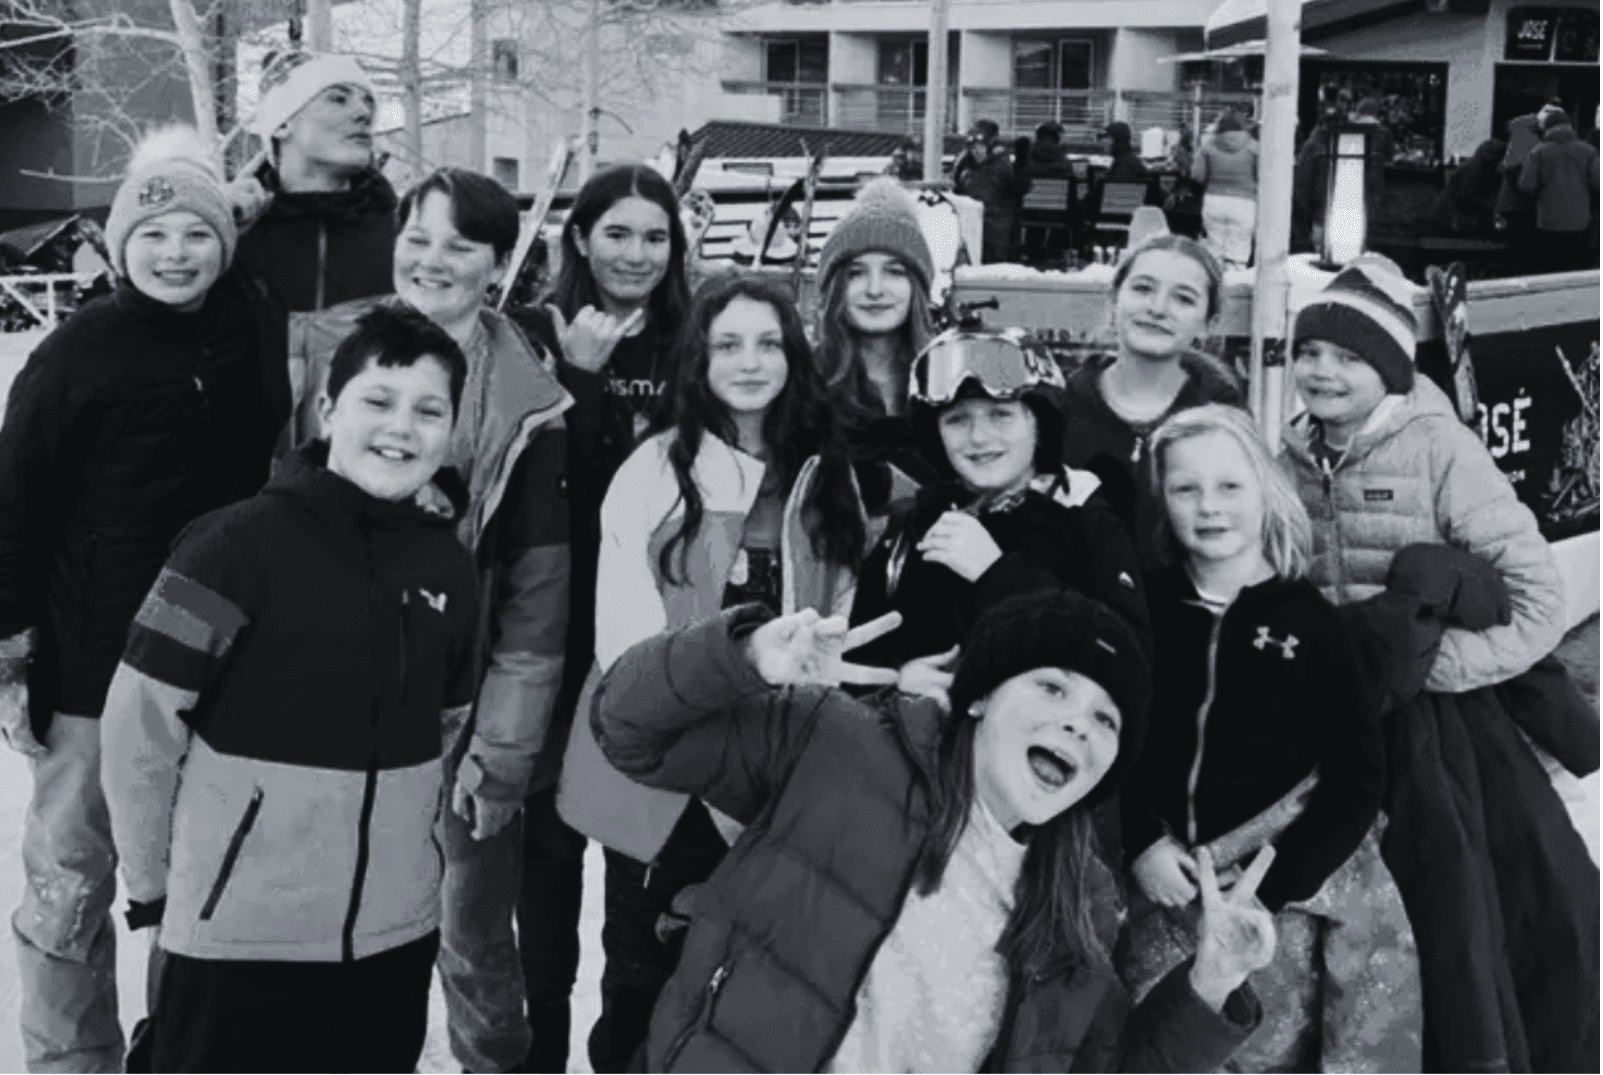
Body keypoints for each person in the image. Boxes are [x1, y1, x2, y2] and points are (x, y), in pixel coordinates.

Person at [590, 587, 1273, 1072]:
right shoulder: (840, 743)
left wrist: (1211, 982)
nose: (1077, 723)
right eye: (1052, 687)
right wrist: (741, 660)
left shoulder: (1082, 901)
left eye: (1105, 719)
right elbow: (628, 730)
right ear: (980, 696)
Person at [101, 304, 480, 1072]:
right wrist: (153, 885)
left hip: (390, 936)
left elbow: (448, 719)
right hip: (237, 933)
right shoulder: (228, 546)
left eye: (428, 410)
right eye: (378, 400)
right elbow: (138, 724)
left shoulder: (449, 567)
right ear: (329, 408)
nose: (401, 428)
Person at [282, 167, 573, 1074]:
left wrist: (503, 753)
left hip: (459, 714)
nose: (432, 259)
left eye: (461, 243)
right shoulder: (321, 349)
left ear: (499, 263)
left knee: (471, 938)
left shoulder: (529, 400)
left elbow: (535, 597)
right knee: (328, 926)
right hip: (331, 700)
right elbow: (271, 518)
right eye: (417, 236)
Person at [1279, 256, 1596, 1071]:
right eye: (1308, 351)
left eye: (1347, 356)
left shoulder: (1438, 448)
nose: (1321, 370)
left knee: (1459, 909)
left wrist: (1430, 670)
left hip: (1437, 729)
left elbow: (1538, 603)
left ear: (1387, 368)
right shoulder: (1288, 456)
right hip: (1330, 717)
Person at [0, 126, 270, 1073]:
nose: (175, 253)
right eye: (152, 235)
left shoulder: (248, 323)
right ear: (120, 246)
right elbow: (13, 505)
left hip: (216, 661)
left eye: (196, 233)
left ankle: (182, 1053)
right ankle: (71, 1058)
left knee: (197, 878)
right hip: (90, 667)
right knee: (72, 880)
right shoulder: (75, 354)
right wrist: (11, 650)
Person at [556, 273, 868, 1072]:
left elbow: (840, 609)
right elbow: (626, 644)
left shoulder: (824, 473)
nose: (749, 361)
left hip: (778, 778)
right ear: (697, 359)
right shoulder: (653, 470)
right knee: (644, 981)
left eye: (768, 343)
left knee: (754, 991)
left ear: (794, 357)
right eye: (727, 344)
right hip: (664, 780)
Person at [1120, 404, 1421, 1071]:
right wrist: (1138, 840)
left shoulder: (1313, 624)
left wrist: (1275, 881)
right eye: (1185, 488)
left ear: (1265, 488)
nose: (1209, 506)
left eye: (1229, 485)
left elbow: (1357, 774)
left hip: (1268, 896)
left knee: (1260, 1044)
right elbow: (1116, 737)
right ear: (1162, 500)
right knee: (1163, 1045)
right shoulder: (1144, 608)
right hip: (1161, 889)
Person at [509, 161, 692, 1072]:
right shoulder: (532, 335)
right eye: (616, 233)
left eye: (654, 236)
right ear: (578, 238)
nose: (635, 253)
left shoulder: (692, 345)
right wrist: (577, 378)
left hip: (648, 645)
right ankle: (538, 1046)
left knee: (637, 877)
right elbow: (535, 483)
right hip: (549, 633)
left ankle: (626, 1051)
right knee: (544, 868)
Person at [848, 327, 1149, 675]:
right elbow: (856, 660)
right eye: (957, 419)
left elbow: (1126, 659)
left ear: (1039, 424)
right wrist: (900, 680)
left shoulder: (1086, 521)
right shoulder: (912, 527)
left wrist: (996, 575)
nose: (979, 437)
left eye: (1001, 414)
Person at [231, 51, 397, 444]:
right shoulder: (228, 236)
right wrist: (214, 224)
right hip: (244, 470)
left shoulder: (408, 236)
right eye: (338, 98)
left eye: (367, 102)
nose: (363, 113)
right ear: (282, 124)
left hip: (368, 465)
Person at [1057, 234, 1243, 567]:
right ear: (1114, 299)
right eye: (1143, 289)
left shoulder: (1226, 422)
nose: (1157, 309)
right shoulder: (1061, 411)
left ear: (1207, 324)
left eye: (1183, 299)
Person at [812, 177, 942, 520]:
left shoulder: (949, 377)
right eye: (855, 273)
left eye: (894, 272)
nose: (874, 289)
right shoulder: (804, 381)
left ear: (917, 287)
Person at [1518, 107, 1600, 273]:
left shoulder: (1538, 151)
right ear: (1570, 126)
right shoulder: (1588, 151)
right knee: (1574, 266)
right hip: (1579, 220)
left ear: (1547, 128)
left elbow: (1526, 185)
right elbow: (1598, 183)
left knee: (1550, 266)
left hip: (1548, 220)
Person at [1495, 98, 1562, 268]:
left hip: (1517, 205)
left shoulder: (1528, 132)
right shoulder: (1524, 133)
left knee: (1520, 250)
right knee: (1521, 251)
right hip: (1519, 206)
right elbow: (1516, 173)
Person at [954, 119, 1031, 264]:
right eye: (973, 147)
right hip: (973, 224)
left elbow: (1021, 187)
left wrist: (1022, 164)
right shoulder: (966, 165)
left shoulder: (1001, 165)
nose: (976, 151)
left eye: (980, 146)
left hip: (993, 225)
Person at [1191, 112, 1259, 269]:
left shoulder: (1208, 146)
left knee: (1214, 250)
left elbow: (1197, 175)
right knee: (1238, 252)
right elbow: (1261, 176)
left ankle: (1216, 281)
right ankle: (1235, 278)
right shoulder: (1254, 147)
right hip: (1244, 202)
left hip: (1214, 200)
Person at [1427, 138, 1506, 238]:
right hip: (1452, 216)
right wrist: (1490, 207)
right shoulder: (1472, 169)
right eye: (1491, 152)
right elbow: (1465, 196)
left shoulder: (1487, 170)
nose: (1493, 157)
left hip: (1457, 215)